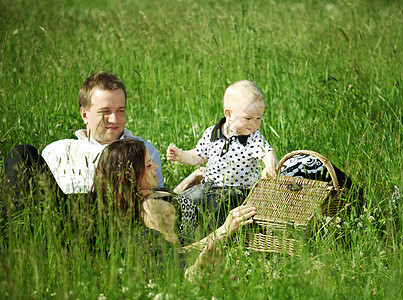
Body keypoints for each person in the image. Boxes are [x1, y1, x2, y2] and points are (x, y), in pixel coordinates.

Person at [91, 139, 256, 279]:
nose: (155, 166)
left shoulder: (142, 194)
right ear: (132, 175)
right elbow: (178, 253)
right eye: (148, 165)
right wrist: (225, 230)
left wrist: (186, 183)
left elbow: (171, 209)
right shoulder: (150, 210)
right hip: (220, 217)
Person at [5, 71, 164, 200]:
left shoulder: (143, 149)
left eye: (120, 111)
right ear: (84, 115)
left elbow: (156, 199)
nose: (115, 119)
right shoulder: (58, 150)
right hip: (63, 215)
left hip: (114, 219)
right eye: (105, 112)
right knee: (21, 153)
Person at [166, 80, 277, 224]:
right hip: (209, 186)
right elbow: (199, 156)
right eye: (248, 118)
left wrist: (269, 166)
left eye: (258, 118)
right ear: (229, 114)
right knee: (185, 199)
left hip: (237, 191)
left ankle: (214, 235)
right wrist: (181, 155)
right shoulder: (212, 133)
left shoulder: (252, 138)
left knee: (216, 210)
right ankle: (180, 224)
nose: (254, 123)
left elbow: (267, 152)